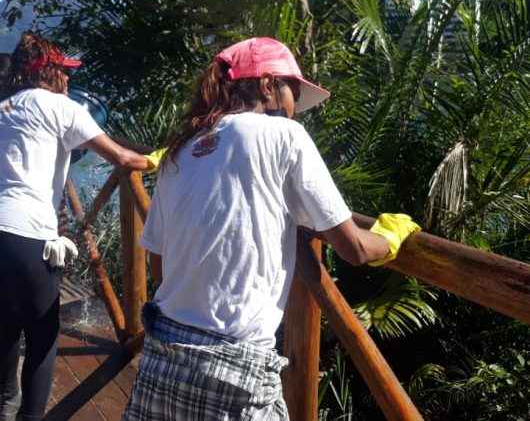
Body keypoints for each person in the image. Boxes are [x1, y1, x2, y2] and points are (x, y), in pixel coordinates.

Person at [122, 37, 420, 421]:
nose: (296, 109)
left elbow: (159, 261)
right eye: (293, 91)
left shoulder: (180, 149)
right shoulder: (284, 136)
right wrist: (391, 236)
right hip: (233, 368)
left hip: (163, 356)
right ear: (266, 85)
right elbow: (355, 249)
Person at [0, 32, 154, 421]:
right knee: (42, 336)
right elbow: (122, 158)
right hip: (27, 233)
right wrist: (157, 157)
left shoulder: (5, 107)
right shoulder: (61, 106)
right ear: (48, 73)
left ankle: (3, 403)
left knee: (3, 326)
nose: (68, 80)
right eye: (64, 71)